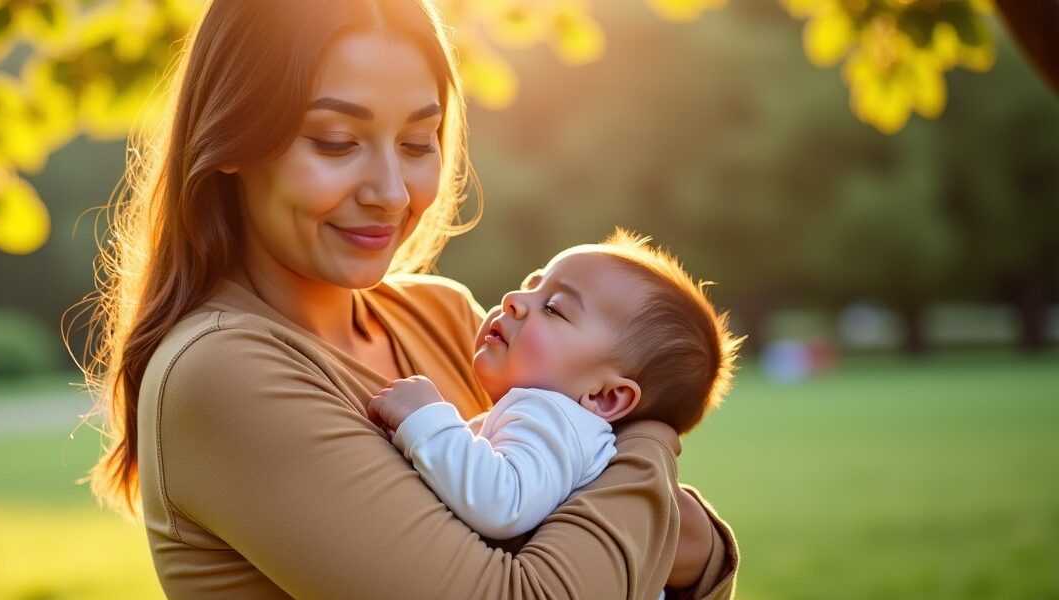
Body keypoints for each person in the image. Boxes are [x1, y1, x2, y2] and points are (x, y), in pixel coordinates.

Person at [81, 0, 739, 597]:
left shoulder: (445, 318)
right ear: (232, 138)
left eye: (418, 143)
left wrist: (677, 531)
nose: (392, 193)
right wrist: (654, 436)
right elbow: (624, 547)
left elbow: (678, 554)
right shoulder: (222, 373)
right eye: (336, 142)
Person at [366, 232, 743, 596]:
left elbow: (502, 502)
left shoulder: (552, 415)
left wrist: (425, 419)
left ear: (607, 397)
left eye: (553, 308)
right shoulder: (565, 430)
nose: (514, 299)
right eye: (531, 283)